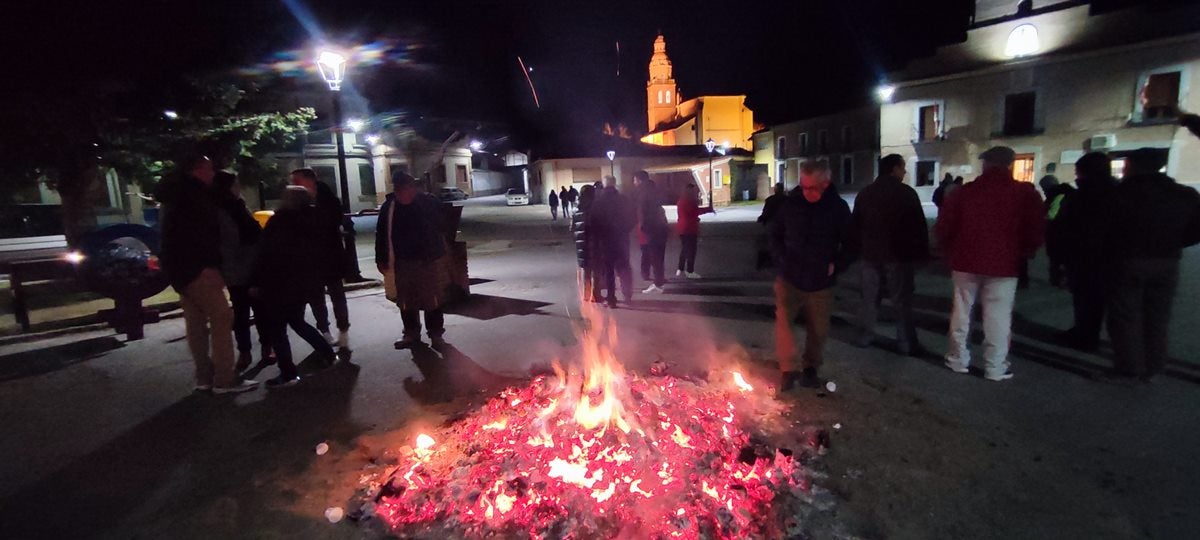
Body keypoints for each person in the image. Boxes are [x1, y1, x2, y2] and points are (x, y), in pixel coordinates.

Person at [935, 146, 1045, 382]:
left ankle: (957, 358)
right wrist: (1025, 252)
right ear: (1009, 164)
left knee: (962, 311)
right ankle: (994, 366)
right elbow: (1035, 229)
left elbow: (944, 227)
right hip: (1004, 263)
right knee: (998, 316)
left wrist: (948, 252)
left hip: (965, 260)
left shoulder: (964, 193)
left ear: (986, 164)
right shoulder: (1024, 193)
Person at [157, 154, 257, 394]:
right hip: (199, 267)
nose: (212, 174)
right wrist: (210, 265)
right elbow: (202, 235)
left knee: (196, 321)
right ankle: (225, 378)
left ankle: (204, 376)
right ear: (199, 169)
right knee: (222, 317)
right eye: (210, 168)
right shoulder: (196, 197)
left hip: (179, 268)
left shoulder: (174, 195)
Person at [1103, 148, 1200, 382]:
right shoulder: (1184, 194)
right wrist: (1175, 242)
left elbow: (1105, 229)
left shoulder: (1121, 193)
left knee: (1125, 317)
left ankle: (1129, 369)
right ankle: (1154, 366)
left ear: (1134, 166)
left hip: (1128, 259)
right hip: (1167, 260)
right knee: (1158, 316)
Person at [771, 160, 854, 391]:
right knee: (784, 324)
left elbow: (852, 243)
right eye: (803, 187)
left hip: (820, 282)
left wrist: (837, 264)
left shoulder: (837, 209)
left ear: (825, 183)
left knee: (818, 328)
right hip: (790, 277)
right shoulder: (791, 205)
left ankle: (810, 368)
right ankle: (788, 369)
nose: (806, 193)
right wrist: (781, 258)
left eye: (812, 188)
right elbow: (775, 233)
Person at [251, 186, 339, 388]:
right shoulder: (314, 220)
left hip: (279, 282)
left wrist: (258, 281)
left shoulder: (280, 221)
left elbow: (268, 254)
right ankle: (327, 353)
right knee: (297, 321)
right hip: (303, 282)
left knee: (278, 328)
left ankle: (288, 373)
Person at [851, 154, 930, 355]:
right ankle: (906, 343)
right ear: (894, 169)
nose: (904, 172)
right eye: (902, 168)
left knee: (869, 299)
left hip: (870, 255)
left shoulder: (866, 193)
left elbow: (855, 226)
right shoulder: (906, 194)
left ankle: (864, 337)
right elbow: (918, 227)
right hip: (898, 256)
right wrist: (921, 254)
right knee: (902, 301)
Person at [376, 171, 451, 350]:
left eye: (408, 188)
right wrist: (381, 258)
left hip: (428, 260)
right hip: (402, 261)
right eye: (400, 189)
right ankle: (411, 333)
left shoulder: (428, 203)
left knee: (432, 299)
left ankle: (436, 334)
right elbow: (381, 234)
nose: (405, 192)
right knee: (406, 300)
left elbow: (443, 224)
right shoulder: (390, 206)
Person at [1052, 152, 1116, 352]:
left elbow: (1065, 227)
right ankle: (1086, 333)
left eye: (1077, 171)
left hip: (1084, 255)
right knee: (1094, 299)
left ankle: (1086, 337)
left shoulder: (1082, 196)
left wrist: (1058, 258)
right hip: (1109, 255)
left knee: (1086, 298)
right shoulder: (1118, 192)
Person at [212, 170, 268, 372]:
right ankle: (256, 350)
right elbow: (241, 239)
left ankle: (252, 351)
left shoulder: (233, 207)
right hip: (244, 268)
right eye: (235, 184)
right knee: (251, 312)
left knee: (245, 312)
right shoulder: (227, 209)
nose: (239, 188)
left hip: (238, 270)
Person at [290, 168, 350, 349]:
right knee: (316, 296)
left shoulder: (328, 199)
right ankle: (324, 330)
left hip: (330, 255)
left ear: (309, 181)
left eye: (296, 180)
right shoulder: (297, 202)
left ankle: (343, 328)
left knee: (337, 294)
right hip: (310, 258)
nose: (294, 184)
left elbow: (333, 222)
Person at [590, 175, 636, 307]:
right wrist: (625, 230)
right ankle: (627, 295)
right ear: (614, 184)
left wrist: (599, 236)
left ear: (604, 185)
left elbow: (593, 222)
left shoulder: (598, 202)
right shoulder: (623, 200)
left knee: (609, 270)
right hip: (621, 239)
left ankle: (611, 299)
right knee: (624, 268)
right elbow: (633, 217)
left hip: (605, 241)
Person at [1040, 166, 1075, 288]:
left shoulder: (1058, 196)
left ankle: (1057, 280)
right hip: (1067, 232)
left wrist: (1042, 218)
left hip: (1058, 232)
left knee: (1057, 258)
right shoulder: (1067, 193)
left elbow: (1052, 215)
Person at [634, 171, 668, 293]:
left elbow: (642, 211)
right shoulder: (654, 190)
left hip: (653, 229)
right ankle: (660, 281)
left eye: (635, 180)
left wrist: (643, 227)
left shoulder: (643, 193)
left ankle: (658, 284)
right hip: (661, 227)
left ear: (639, 180)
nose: (634, 183)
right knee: (659, 256)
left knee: (655, 256)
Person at [574, 184, 603, 302]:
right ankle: (595, 295)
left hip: (582, 246)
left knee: (586, 271)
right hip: (595, 245)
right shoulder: (596, 210)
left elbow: (573, 230)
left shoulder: (577, 212)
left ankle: (586, 294)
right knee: (596, 271)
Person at [677, 183, 706, 278]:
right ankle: (690, 270)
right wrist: (708, 209)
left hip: (682, 228)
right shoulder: (690, 201)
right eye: (694, 190)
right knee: (691, 250)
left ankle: (680, 268)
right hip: (690, 228)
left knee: (685, 249)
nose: (695, 192)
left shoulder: (681, 200)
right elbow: (695, 212)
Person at [755, 182, 786, 270]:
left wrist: (761, 218)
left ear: (775, 190)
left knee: (768, 241)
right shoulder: (787, 200)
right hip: (784, 225)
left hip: (773, 224)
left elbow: (766, 212)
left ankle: (768, 259)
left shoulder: (770, 200)